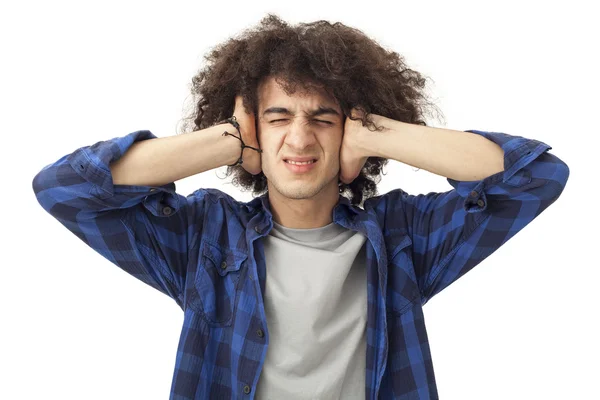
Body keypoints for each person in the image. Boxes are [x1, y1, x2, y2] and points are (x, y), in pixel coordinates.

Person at [32, 14, 569, 400]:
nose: (300, 138)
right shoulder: (205, 239)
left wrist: (376, 133)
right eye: (278, 117)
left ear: (350, 133)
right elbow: (64, 189)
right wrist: (227, 140)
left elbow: (536, 177)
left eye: (324, 118)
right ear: (252, 130)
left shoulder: (404, 237)